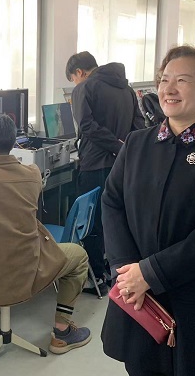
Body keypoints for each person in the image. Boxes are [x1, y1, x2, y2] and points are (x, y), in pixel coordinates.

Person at [101, 44, 195, 376]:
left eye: (182, 80)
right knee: (141, 365)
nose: (169, 88)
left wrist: (150, 273)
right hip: (137, 292)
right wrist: (126, 269)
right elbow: (112, 201)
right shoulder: (137, 143)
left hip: (193, 293)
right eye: (165, 79)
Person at [0, 115, 91, 354]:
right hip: (25, 273)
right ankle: (61, 332)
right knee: (79, 256)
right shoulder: (33, 174)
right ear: (13, 143)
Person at [65, 51, 145, 293]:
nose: (75, 83)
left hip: (95, 163)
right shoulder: (127, 89)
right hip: (122, 165)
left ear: (79, 72)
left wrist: (114, 145)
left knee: (92, 221)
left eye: (73, 79)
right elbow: (139, 126)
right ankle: (115, 270)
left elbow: (86, 126)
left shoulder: (84, 88)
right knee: (115, 217)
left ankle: (96, 276)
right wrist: (124, 149)